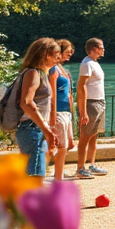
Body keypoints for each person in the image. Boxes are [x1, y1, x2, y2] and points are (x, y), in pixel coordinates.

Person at [15, 38, 62, 179]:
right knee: (34, 177)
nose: (58, 59)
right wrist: (47, 130)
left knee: (33, 175)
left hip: (33, 130)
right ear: (46, 55)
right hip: (32, 129)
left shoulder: (38, 73)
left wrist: (47, 128)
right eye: (56, 55)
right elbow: (26, 103)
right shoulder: (33, 74)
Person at [76, 38, 108, 179]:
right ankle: (80, 168)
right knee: (85, 137)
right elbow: (81, 86)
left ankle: (92, 164)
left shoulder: (95, 63)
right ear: (94, 48)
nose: (103, 49)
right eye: (101, 47)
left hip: (100, 102)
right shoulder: (86, 63)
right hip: (91, 103)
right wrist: (83, 111)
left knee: (94, 136)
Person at [47, 40, 76, 181]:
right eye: (68, 51)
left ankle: (44, 169)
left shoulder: (63, 69)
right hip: (58, 112)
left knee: (69, 145)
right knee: (61, 146)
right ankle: (58, 179)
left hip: (66, 112)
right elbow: (52, 92)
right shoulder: (53, 69)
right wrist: (52, 114)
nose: (70, 54)